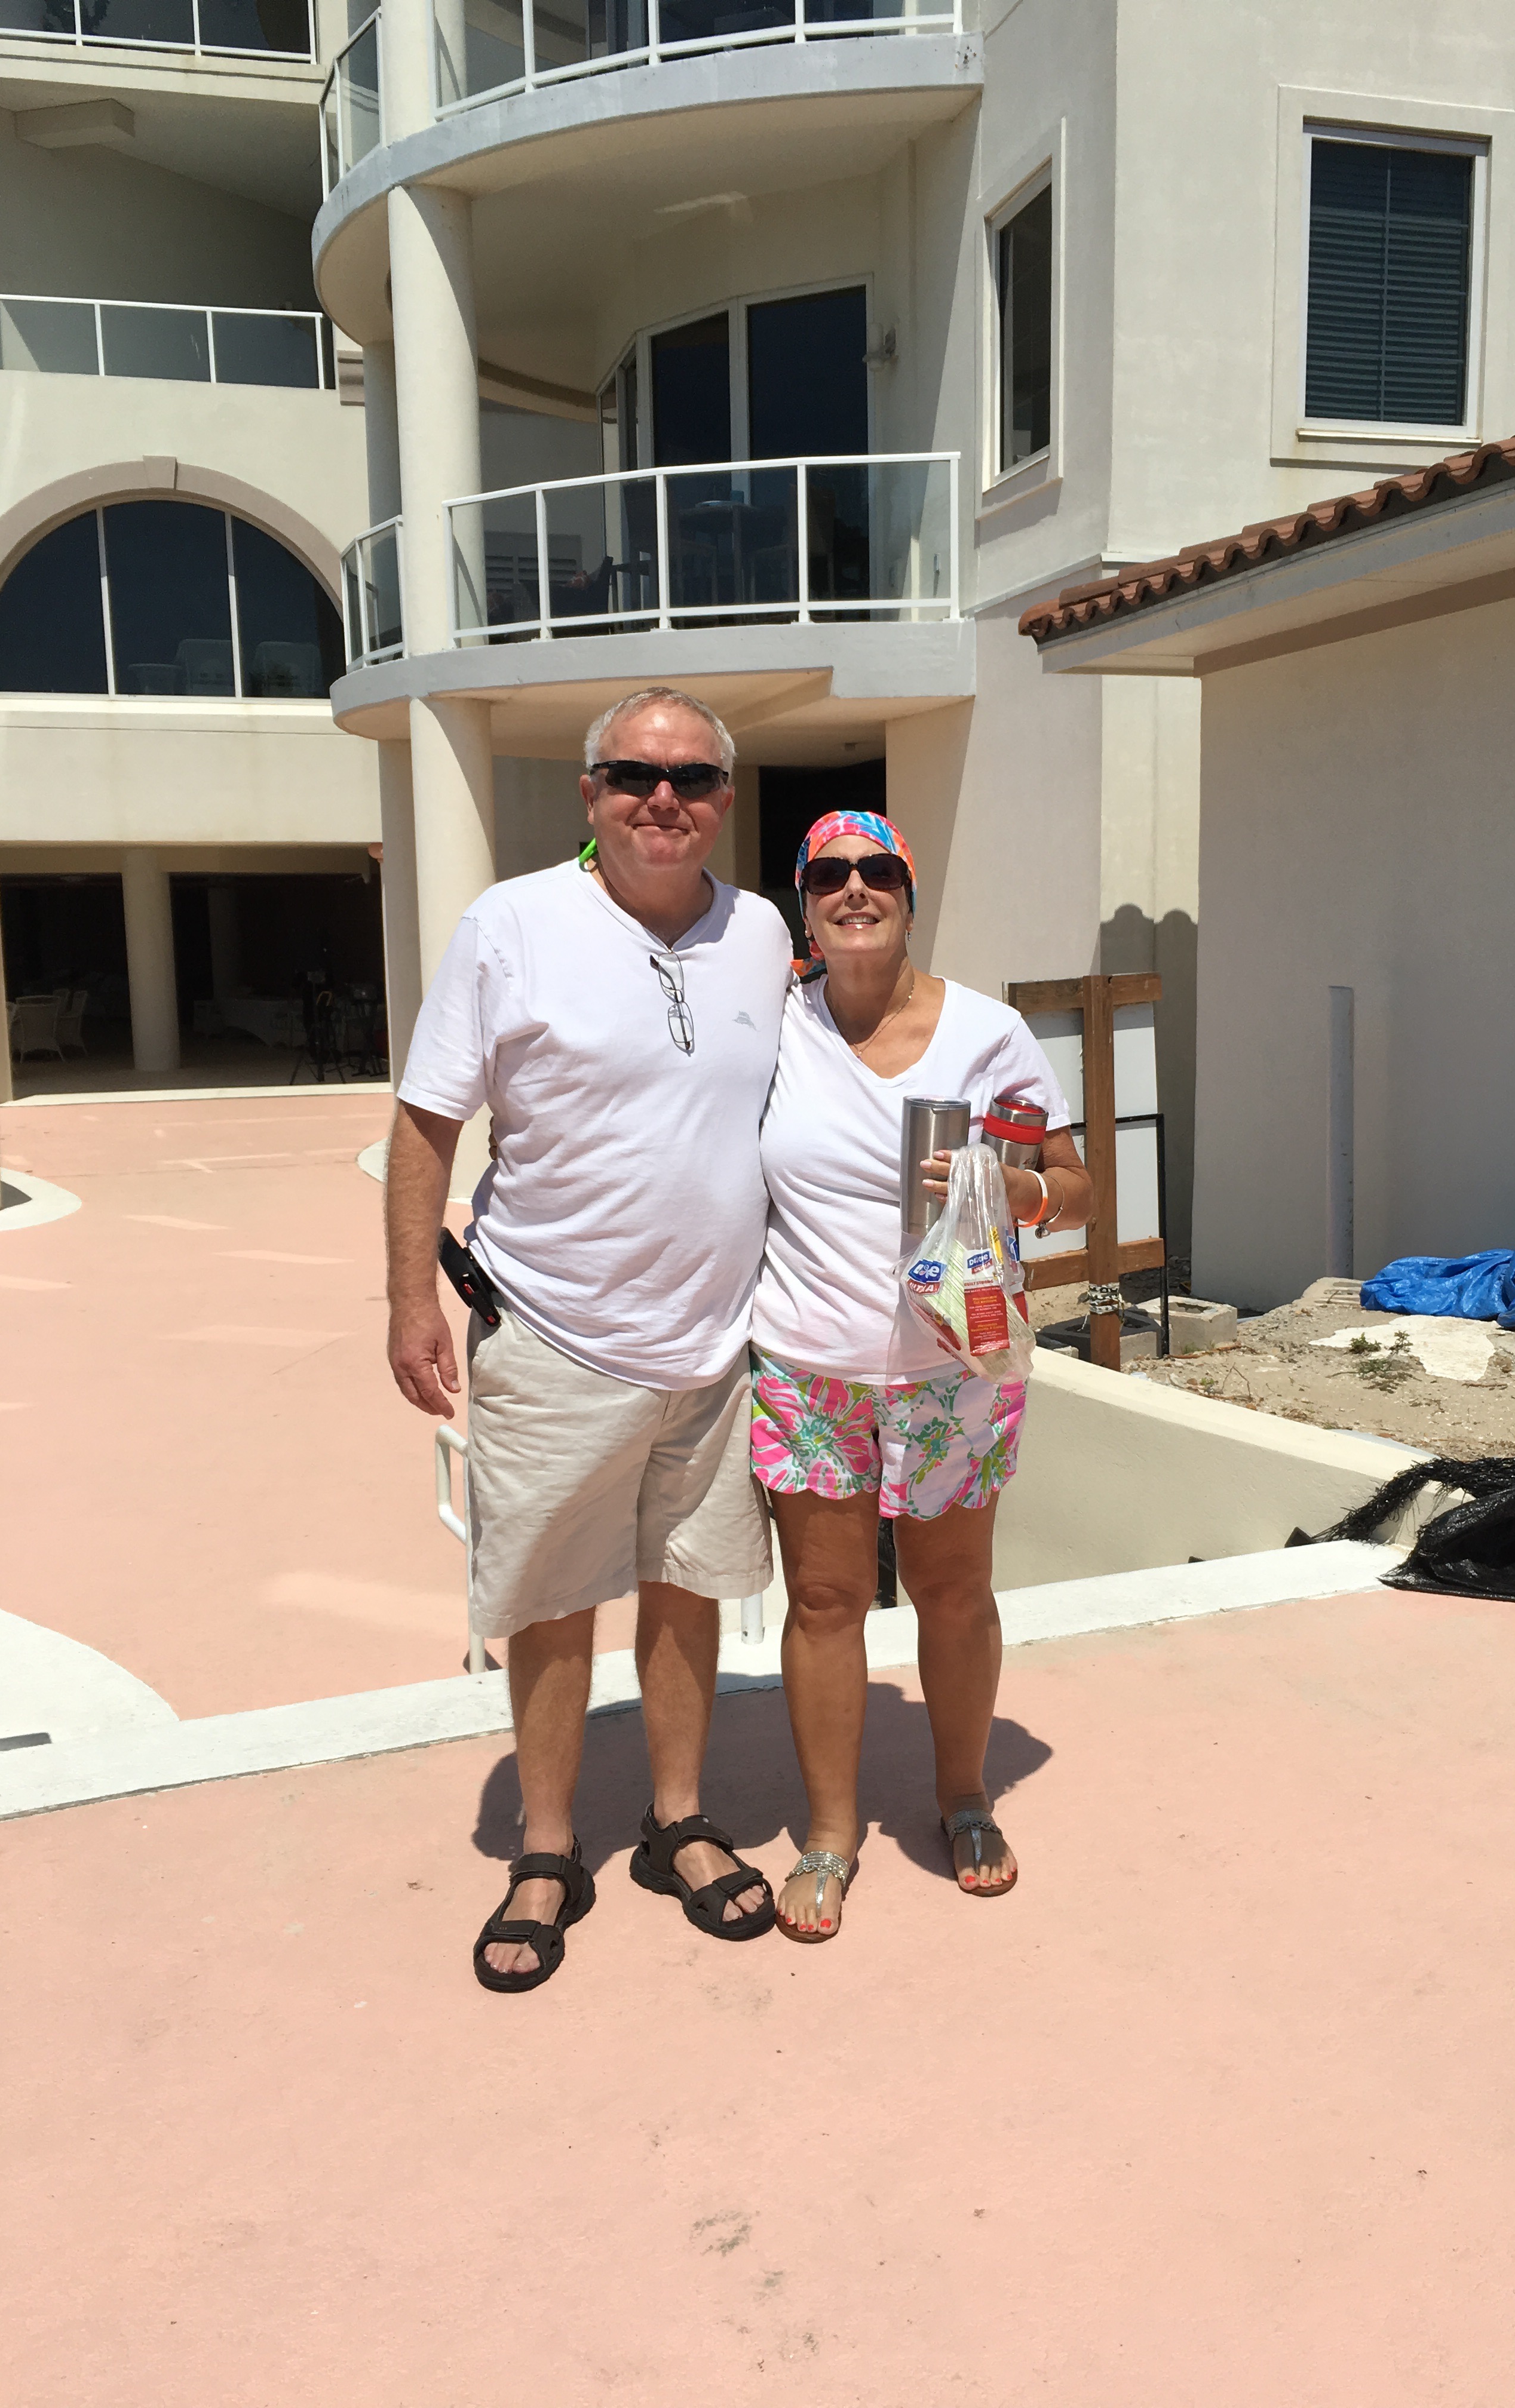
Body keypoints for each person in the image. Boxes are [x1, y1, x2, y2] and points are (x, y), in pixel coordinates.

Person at [385, 686, 793, 1992]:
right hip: (556, 1332)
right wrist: (408, 1299)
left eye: (692, 779)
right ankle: (548, 1848)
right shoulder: (511, 925)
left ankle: (678, 1823)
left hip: (717, 1347)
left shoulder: (761, 931)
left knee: (688, 1587)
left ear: (724, 799)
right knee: (554, 1601)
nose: (662, 799)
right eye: (633, 775)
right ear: (589, 794)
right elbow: (427, 1120)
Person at [749, 810, 1093, 1939]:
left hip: (956, 1367)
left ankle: (964, 1797)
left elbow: (1075, 1187)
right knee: (824, 1599)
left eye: (878, 871)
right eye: (830, 874)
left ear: (908, 892)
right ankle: (830, 1834)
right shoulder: (773, 1027)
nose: (855, 888)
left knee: (952, 1592)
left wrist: (1014, 1189)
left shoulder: (988, 1032)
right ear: (806, 904)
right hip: (809, 1364)